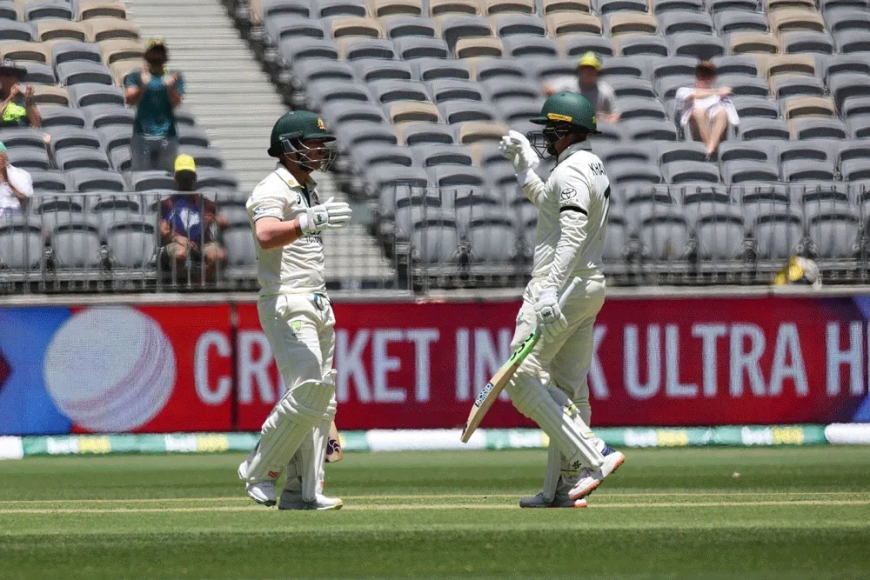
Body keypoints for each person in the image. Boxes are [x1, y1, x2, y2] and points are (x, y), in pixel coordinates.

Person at [498, 92, 624, 508]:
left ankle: (594, 455)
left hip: (561, 288)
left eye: (549, 130)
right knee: (569, 389)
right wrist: (523, 168)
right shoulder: (587, 165)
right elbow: (551, 204)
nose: (544, 137)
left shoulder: (571, 171)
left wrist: (551, 287)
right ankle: (562, 488)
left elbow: (571, 233)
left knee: (520, 375)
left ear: (565, 131)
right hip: (588, 286)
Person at [237, 110, 351, 511]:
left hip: (317, 299)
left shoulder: (308, 188)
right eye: (313, 142)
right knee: (306, 392)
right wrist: (310, 220)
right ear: (289, 147)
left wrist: (310, 213)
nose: (321, 149)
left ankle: (302, 491)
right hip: (287, 299)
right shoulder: (272, 188)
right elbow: (266, 235)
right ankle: (259, 467)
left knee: (321, 399)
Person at [159, 154, 227, 282]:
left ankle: (199, 281)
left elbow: (223, 221)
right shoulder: (168, 203)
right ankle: (183, 282)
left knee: (219, 255)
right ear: (176, 179)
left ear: (194, 178)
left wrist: (215, 220)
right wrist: (177, 238)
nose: (185, 181)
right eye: (182, 177)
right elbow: (163, 231)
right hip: (177, 243)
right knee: (180, 253)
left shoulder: (204, 203)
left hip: (203, 242)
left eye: (188, 177)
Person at [124, 38, 185, 172]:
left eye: (160, 52)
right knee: (142, 176)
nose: (157, 55)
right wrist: (143, 86)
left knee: (167, 176)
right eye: (154, 51)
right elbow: (129, 99)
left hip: (167, 135)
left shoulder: (174, 76)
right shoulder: (136, 75)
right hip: (142, 135)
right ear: (147, 54)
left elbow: (176, 103)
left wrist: (170, 88)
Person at [675, 61, 739, 157]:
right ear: (696, 75)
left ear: (712, 79)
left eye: (707, 75)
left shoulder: (719, 97)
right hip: (693, 126)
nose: (703, 78)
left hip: (713, 128)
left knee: (722, 112)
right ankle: (711, 151)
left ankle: (710, 149)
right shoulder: (683, 91)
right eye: (701, 74)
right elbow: (695, 95)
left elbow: (734, 120)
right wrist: (717, 91)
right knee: (698, 112)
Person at [544, 52, 620, 123]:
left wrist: (606, 122)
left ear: (597, 72)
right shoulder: (568, 84)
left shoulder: (605, 90)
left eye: (591, 69)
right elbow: (547, 89)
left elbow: (615, 115)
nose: (586, 72)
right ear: (579, 70)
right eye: (584, 69)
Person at [0, 59, 40, 129]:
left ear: (16, 78)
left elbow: (36, 124)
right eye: (5, 75)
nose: (8, 79)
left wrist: (29, 102)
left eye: (12, 75)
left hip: (22, 135)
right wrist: (10, 97)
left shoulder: (24, 98)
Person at [0, 141, 34, 218]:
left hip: (12, 215)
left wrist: (7, 181)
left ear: (4, 157)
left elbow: (26, 196)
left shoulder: (20, 174)